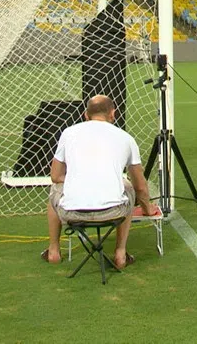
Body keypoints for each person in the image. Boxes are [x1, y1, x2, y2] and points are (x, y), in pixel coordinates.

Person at [43, 95, 157, 267]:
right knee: (128, 187)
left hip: (71, 214)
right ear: (113, 114)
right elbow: (140, 186)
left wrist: (79, 178)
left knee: (55, 189)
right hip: (114, 213)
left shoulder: (68, 133)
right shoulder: (126, 138)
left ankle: (54, 250)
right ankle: (120, 253)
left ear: (85, 115)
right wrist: (147, 209)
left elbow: (55, 176)